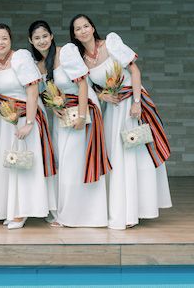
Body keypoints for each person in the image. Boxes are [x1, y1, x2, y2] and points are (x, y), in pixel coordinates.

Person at [70, 14, 171, 229]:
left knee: (136, 153)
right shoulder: (80, 59)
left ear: (93, 27)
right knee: (116, 154)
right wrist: (102, 95)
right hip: (112, 109)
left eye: (86, 26)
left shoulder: (111, 42)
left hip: (131, 105)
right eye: (78, 28)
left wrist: (136, 102)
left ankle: (139, 208)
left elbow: (134, 70)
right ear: (74, 35)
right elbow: (89, 88)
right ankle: (119, 208)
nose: (83, 30)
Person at [29, 20, 110, 227]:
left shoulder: (66, 52)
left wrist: (83, 116)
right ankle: (64, 211)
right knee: (63, 163)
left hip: (82, 110)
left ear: (52, 36)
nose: (42, 41)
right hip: (63, 116)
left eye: (45, 36)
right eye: (37, 38)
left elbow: (82, 84)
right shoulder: (38, 63)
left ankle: (81, 215)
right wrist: (53, 106)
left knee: (76, 163)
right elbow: (48, 92)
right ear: (31, 40)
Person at [0, 23, 56, 229]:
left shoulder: (20, 57)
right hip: (7, 120)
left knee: (26, 164)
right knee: (11, 163)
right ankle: (12, 208)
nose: (0, 43)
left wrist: (28, 122)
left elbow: (33, 89)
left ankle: (24, 210)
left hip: (27, 117)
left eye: (4, 39)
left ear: (11, 41)